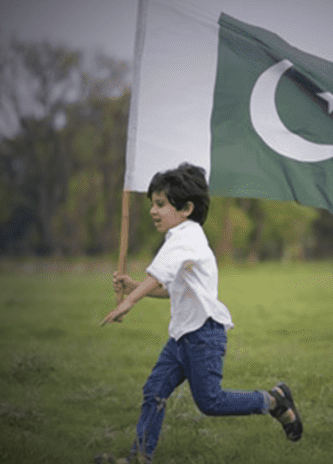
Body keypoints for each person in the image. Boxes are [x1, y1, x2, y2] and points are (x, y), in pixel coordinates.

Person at [99, 163, 302, 464]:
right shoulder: (180, 238)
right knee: (154, 391)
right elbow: (170, 288)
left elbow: (158, 275)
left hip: (203, 335)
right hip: (182, 336)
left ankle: (272, 400)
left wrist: (130, 302)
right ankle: (139, 457)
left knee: (210, 402)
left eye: (161, 204)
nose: (153, 211)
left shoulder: (186, 237)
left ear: (186, 208)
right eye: (152, 204)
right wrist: (132, 287)